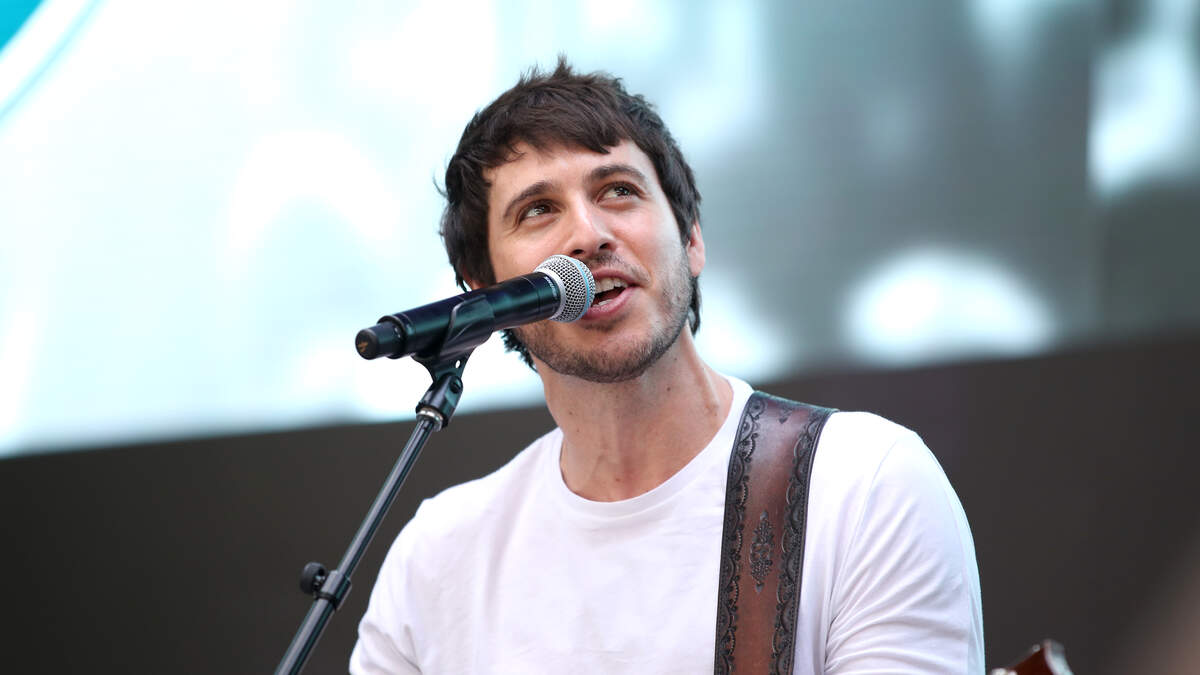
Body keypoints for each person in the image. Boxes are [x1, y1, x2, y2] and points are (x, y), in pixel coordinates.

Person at [350, 59, 984, 674]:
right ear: (482, 291)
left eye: (618, 191)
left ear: (691, 239)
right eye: (538, 209)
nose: (588, 234)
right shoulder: (435, 562)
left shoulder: (862, 486)